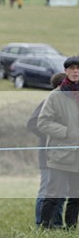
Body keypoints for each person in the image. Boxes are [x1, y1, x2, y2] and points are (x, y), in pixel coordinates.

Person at [37, 56, 79, 229]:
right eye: (72, 68)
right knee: (53, 195)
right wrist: (67, 132)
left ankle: (71, 227)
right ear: (66, 71)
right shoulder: (55, 96)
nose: (76, 71)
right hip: (60, 154)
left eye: (78, 68)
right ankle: (45, 227)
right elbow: (43, 122)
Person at [27, 72, 67, 227]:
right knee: (46, 191)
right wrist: (54, 135)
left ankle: (56, 224)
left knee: (61, 193)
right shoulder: (48, 102)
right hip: (48, 156)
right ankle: (40, 223)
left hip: (64, 157)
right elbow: (32, 123)